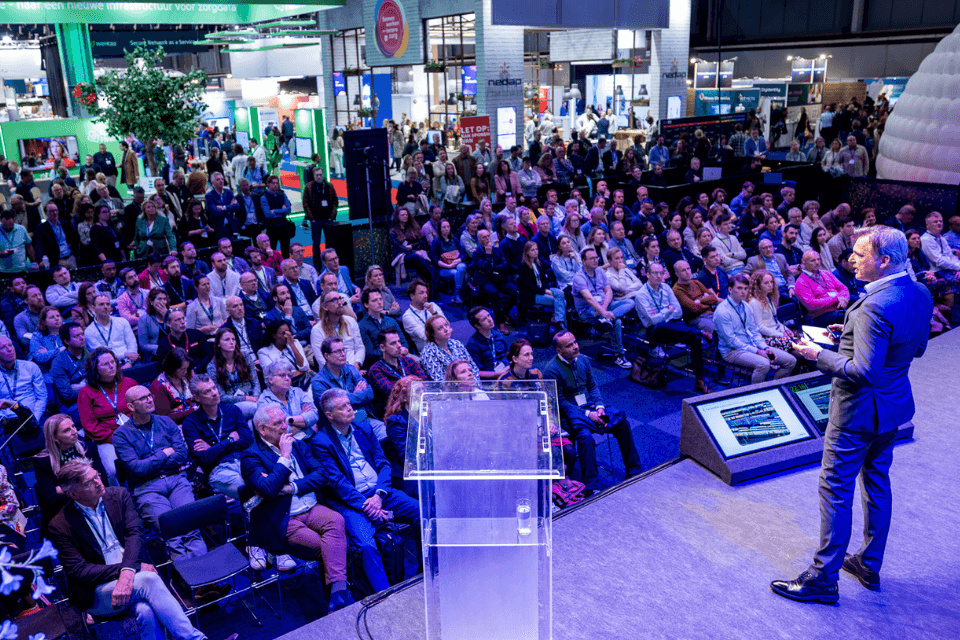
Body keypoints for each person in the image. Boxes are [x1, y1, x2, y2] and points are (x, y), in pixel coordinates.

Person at [772, 227, 933, 604]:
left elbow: (865, 373)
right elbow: (918, 348)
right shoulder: (920, 292)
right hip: (893, 407)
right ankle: (869, 563)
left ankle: (823, 578)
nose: (851, 261)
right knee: (877, 483)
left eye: (860, 254)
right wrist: (852, 334)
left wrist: (819, 355)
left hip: (857, 413)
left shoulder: (874, 305)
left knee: (835, 490)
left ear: (885, 260)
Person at [47, 459, 231, 640]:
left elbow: (135, 535)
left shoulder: (118, 496)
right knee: (149, 579)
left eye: (97, 476)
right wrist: (129, 570)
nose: (98, 483)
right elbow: (79, 571)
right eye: (89, 483)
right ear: (72, 494)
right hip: (97, 592)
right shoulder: (60, 525)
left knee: (146, 611)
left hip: (133, 579)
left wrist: (128, 573)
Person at [240, 405, 353, 609]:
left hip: (312, 507)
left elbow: (322, 474)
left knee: (336, 520)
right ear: (262, 429)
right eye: (278, 424)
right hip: (283, 520)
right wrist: (284, 457)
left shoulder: (299, 445)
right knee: (328, 547)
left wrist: (291, 487)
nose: (285, 427)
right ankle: (341, 596)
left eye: (285, 421)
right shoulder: (251, 457)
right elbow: (267, 490)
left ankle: (338, 595)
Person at [312, 388, 420, 593]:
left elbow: (384, 465)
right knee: (366, 546)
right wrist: (367, 505)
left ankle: (426, 572)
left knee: (424, 513)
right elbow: (337, 483)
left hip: (380, 494)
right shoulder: (321, 441)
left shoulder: (365, 428)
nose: (349, 408)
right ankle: (386, 596)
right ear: (329, 415)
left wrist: (378, 496)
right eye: (342, 407)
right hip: (351, 503)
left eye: (348, 404)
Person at [543, 331, 643, 492]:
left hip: (588, 407)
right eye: (570, 345)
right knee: (585, 437)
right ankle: (592, 486)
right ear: (559, 350)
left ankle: (634, 471)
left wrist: (599, 407)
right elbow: (560, 401)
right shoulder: (551, 370)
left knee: (622, 423)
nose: (576, 347)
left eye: (575, 342)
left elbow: (592, 386)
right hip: (568, 414)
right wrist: (590, 415)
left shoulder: (582, 360)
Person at [636, 263, 711, 394]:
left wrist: (663, 314)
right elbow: (653, 321)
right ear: (648, 275)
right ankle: (699, 331)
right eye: (655, 273)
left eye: (661, 273)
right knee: (661, 325)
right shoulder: (641, 295)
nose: (659, 276)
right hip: (655, 331)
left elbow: (678, 311)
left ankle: (699, 380)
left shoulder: (666, 287)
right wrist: (667, 310)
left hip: (674, 324)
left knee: (695, 339)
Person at [715, 274, 796, 384]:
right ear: (730, 289)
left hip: (752, 345)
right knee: (764, 364)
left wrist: (765, 347)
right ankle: (758, 393)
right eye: (739, 288)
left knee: (791, 361)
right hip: (732, 351)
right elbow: (731, 341)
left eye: (745, 288)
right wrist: (757, 351)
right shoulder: (722, 312)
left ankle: (773, 386)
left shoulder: (746, 306)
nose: (743, 292)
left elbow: (754, 331)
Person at [182, 374, 252, 500]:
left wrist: (213, 447)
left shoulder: (232, 410)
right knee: (252, 489)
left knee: (271, 480)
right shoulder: (190, 423)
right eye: (207, 391)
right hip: (219, 469)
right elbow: (205, 458)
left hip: (244, 459)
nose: (214, 393)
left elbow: (247, 440)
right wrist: (229, 440)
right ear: (197, 397)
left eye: (214, 388)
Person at [77, 348, 139, 482]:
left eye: (113, 362)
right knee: (112, 470)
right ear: (95, 369)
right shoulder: (86, 393)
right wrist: (115, 438)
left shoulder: (129, 383)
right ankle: (119, 499)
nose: (111, 366)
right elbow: (89, 426)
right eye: (105, 364)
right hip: (108, 439)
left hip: (136, 432)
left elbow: (141, 410)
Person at [572, 247, 633, 369]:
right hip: (587, 309)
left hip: (604, 306)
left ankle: (607, 319)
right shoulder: (579, 277)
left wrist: (604, 311)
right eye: (592, 258)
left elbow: (608, 291)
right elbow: (589, 299)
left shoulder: (599, 271)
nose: (595, 260)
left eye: (596, 257)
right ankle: (619, 356)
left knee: (630, 302)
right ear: (583, 261)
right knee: (617, 322)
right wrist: (603, 312)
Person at [312, 337, 385, 440]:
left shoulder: (350, 369)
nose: (343, 354)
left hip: (365, 419)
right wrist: (356, 394)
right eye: (337, 351)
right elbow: (330, 407)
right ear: (327, 356)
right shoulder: (318, 382)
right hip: (341, 428)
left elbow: (369, 393)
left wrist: (343, 398)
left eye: (343, 350)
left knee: (388, 434)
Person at [257, 361, 318, 440]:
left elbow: (314, 415)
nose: (287, 379)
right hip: (287, 443)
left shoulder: (298, 392)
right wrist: (303, 420)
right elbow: (278, 431)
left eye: (289, 375)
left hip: (310, 437)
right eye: (282, 375)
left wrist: (288, 420)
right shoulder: (264, 402)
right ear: (270, 380)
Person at [368, 328, 428, 402]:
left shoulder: (409, 361)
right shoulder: (376, 370)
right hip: (393, 410)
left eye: (399, 341)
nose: (399, 345)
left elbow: (424, 382)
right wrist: (413, 384)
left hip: (417, 402)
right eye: (393, 343)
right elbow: (393, 392)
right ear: (382, 347)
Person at [746, 270, 800, 352]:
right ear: (758, 285)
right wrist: (781, 334)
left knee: (801, 342)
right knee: (798, 345)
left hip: (775, 333)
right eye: (766, 283)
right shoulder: (754, 302)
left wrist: (785, 329)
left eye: (771, 282)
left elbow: (774, 321)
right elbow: (760, 328)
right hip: (766, 338)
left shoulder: (768, 298)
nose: (770, 285)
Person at [311, 290, 365, 371]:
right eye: (334, 300)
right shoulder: (317, 330)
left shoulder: (351, 321)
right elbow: (322, 361)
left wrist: (357, 364)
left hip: (355, 369)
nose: (339, 302)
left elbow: (360, 348)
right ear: (325, 307)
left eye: (340, 298)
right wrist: (347, 371)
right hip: (332, 376)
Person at [518, 241, 567, 329]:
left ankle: (559, 321)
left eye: (536, 249)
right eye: (532, 250)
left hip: (542, 290)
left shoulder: (538, 263)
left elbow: (544, 279)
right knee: (563, 302)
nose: (535, 251)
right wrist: (545, 291)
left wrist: (546, 289)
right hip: (531, 295)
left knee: (560, 293)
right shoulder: (523, 266)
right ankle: (560, 323)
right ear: (527, 252)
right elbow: (528, 286)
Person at [795, 250, 850, 327]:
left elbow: (843, 288)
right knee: (854, 317)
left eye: (818, 259)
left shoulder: (826, 273)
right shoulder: (801, 282)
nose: (817, 262)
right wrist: (836, 299)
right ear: (803, 263)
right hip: (821, 316)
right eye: (813, 260)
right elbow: (811, 304)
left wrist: (844, 299)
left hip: (839, 308)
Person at [420, 315, 480, 383]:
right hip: (447, 392)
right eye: (440, 328)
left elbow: (473, 368)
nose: (446, 329)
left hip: (470, 387)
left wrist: (475, 386)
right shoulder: (428, 352)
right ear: (432, 334)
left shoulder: (457, 344)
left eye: (446, 325)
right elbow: (439, 381)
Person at [84, 294, 139, 368]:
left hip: (130, 362)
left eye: (108, 304)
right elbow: (101, 355)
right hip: (107, 367)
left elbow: (132, 344)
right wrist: (125, 355)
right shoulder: (89, 331)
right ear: (93, 308)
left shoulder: (122, 322)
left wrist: (129, 363)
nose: (105, 307)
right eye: (101, 304)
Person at [156, 308, 213, 374]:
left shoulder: (197, 334)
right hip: (180, 377)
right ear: (169, 324)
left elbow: (208, 355)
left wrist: (196, 369)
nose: (182, 322)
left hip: (202, 371)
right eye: (177, 320)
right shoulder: (164, 346)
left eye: (183, 318)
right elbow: (166, 369)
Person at [358, 288, 408, 364]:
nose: (379, 302)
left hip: (399, 356)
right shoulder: (362, 325)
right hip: (379, 362)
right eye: (375, 300)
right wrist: (392, 351)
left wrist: (403, 349)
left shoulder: (391, 321)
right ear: (366, 304)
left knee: (417, 364)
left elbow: (404, 342)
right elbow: (370, 353)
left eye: (380, 299)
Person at [149, 349, 197, 425]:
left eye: (187, 368)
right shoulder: (157, 387)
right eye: (182, 369)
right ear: (172, 367)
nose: (185, 372)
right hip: (174, 425)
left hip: (194, 417)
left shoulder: (187, 375)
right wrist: (192, 411)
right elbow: (164, 418)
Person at [50, 323, 87, 420]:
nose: (82, 338)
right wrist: (91, 387)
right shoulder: (58, 362)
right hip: (71, 405)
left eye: (82, 334)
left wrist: (80, 387)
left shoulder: (89, 353)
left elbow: (100, 380)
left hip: (92, 396)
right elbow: (67, 394)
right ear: (66, 341)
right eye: (76, 336)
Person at [401, 280, 446, 353]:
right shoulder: (408, 316)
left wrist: (433, 313)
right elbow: (426, 337)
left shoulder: (433, 306)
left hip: (444, 345)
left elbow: (446, 325)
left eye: (426, 292)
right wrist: (443, 332)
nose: (425, 296)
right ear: (412, 296)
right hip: (429, 353)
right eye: (421, 293)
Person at [35, 201, 80, 269]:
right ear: (46, 213)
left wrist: (72, 246)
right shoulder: (41, 228)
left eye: (56, 210)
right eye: (51, 211)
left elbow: (75, 237)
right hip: (57, 260)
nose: (55, 213)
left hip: (70, 257)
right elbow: (39, 246)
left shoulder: (65, 223)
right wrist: (41, 260)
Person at [0, 210, 36, 275]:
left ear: (14, 219)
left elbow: (29, 246)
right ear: (1, 221)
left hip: (22, 269)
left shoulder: (21, 229)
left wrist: (35, 261)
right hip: (4, 271)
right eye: (5, 226)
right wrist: (2, 253)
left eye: (10, 225)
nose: (8, 228)